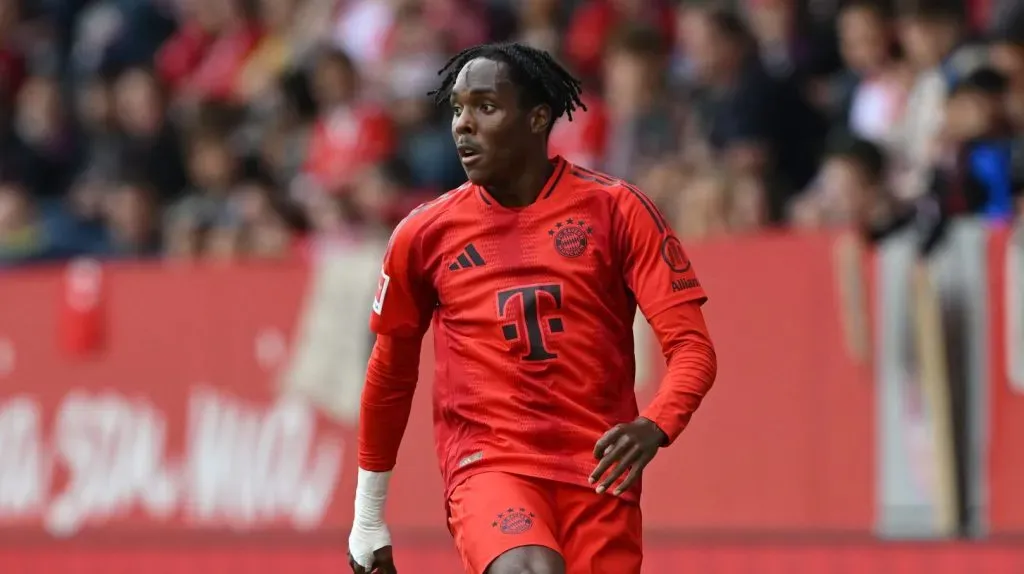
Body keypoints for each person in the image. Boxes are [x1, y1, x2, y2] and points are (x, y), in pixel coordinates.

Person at [347, 42, 718, 574]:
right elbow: (390, 374)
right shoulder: (424, 234)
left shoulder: (617, 211)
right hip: (490, 464)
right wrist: (368, 516)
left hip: (599, 474)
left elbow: (692, 348)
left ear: (538, 118)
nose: (463, 126)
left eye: (485, 107)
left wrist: (654, 423)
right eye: (457, 109)